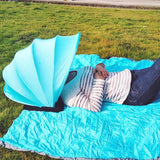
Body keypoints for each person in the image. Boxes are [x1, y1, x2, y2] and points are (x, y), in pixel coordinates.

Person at [24, 57, 160, 112]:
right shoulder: (68, 95)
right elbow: (94, 107)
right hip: (133, 92)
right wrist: (99, 79)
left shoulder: (72, 71)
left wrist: (99, 66)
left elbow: (95, 69)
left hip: (129, 75)